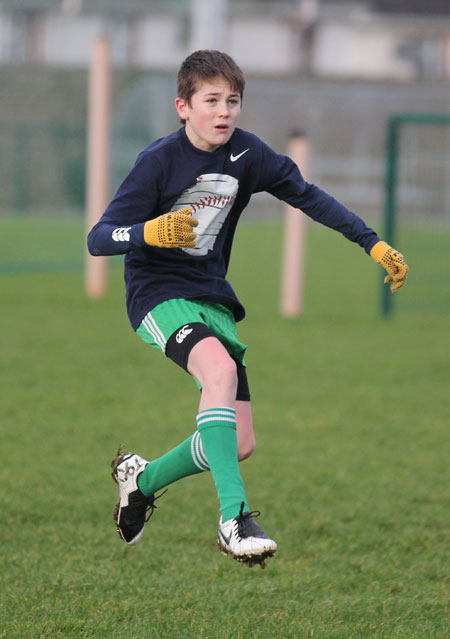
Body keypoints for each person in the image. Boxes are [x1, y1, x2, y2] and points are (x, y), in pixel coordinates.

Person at [87, 49, 408, 569]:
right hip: (157, 292)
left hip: (211, 296)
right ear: (183, 107)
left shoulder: (248, 155)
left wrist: (371, 243)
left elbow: (308, 196)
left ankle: (140, 482)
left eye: (232, 101)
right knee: (216, 370)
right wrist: (149, 231)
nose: (224, 112)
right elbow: (99, 238)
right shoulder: (159, 161)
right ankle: (233, 519)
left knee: (238, 443)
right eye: (211, 100)